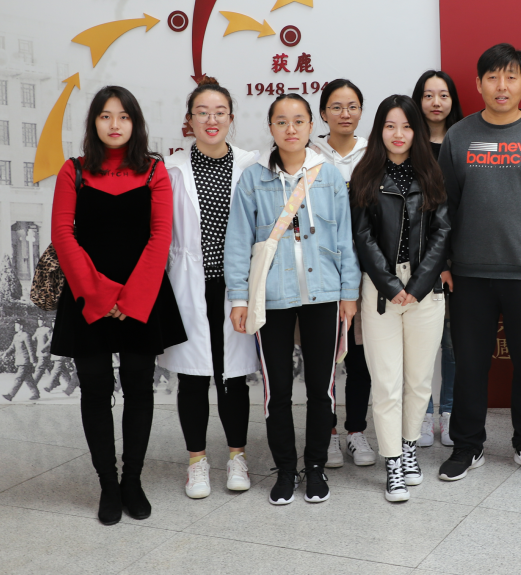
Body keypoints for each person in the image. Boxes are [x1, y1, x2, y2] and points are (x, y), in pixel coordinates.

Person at [50, 86, 186, 525]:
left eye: (123, 116)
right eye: (106, 116)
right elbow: (62, 235)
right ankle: (107, 484)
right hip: (87, 296)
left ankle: (132, 481)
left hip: (140, 296)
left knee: (139, 388)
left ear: (135, 123)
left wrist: (132, 298)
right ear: (94, 122)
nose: (114, 124)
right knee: (94, 388)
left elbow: (161, 235)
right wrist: (101, 296)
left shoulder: (153, 170)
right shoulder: (73, 170)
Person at [437, 43, 521, 483]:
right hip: (469, 274)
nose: (501, 86)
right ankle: (467, 445)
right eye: (493, 77)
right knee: (470, 364)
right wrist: (444, 260)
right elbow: (444, 206)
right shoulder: (459, 136)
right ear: (478, 83)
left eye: (511, 77)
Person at [225, 94, 360, 506]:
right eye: (281, 121)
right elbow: (238, 242)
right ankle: (286, 470)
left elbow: (345, 238)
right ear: (271, 127)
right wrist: (238, 297)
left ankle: (315, 466)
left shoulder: (328, 176)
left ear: (310, 126)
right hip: (272, 297)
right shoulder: (253, 179)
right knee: (277, 390)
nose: (291, 128)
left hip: (324, 294)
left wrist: (349, 293)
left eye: (299, 120)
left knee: (322, 388)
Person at [158, 77, 261, 499]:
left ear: (231, 118)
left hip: (235, 285)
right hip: (188, 285)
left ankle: (237, 456)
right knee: (193, 377)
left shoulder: (252, 166)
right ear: (190, 120)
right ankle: (197, 462)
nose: (211, 119)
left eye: (219, 112)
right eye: (202, 112)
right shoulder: (171, 170)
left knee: (233, 376)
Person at [351, 94, 451, 502]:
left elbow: (443, 232)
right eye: (390, 126)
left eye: (406, 126)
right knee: (387, 382)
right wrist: (392, 286)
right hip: (381, 292)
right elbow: (362, 237)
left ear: (417, 131)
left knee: (418, 381)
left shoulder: (432, 173)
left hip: (426, 290)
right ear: (380, 130)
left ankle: (409, 449)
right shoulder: (365, 175)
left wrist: (419, 284)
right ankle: (393, 461)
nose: (398, 134)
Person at [310, 79, 376, 468]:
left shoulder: (373, 153)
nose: (345, 114)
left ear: (361, 111)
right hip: (321, 267)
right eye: (336, 107)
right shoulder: (309, 154)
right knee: (325, 356)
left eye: (352, 106)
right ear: (323, 113)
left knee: (359, 355)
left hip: (365, 268)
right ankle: (329, 432)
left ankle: (356, 431)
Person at [412, 70, 462, 447]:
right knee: (422, 342)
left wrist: (451, 261)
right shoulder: (408, 144)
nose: (435, 102)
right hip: (419, 258)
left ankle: (449, 410)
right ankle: (424, 412)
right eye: (428, 95)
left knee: (453, 341)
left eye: (443, 95)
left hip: (461, 256)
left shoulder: (464, 140)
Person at [3, 320, 40, 401]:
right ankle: (35, 393)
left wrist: (33, 361)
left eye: (17, 325)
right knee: (28, 379)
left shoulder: (26, 336)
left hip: (25, 361)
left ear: (22, 326)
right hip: (19, 360)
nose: (15, 327)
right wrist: (6, 353)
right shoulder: (16, 336)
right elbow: (12, 347)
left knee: (18, 378)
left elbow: (30, 349)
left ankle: (10, 395)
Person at [32, 316, 53, 386]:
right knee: (47, 368)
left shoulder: (48, 330)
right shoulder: (38, 330)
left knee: (39, 367)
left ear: (44, 322)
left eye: (41, 321)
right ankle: (54, 381)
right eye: (38, 321)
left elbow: (50, 341)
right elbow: (33, 337)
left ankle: (33, 383)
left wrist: (44, 348)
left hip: (45, 352)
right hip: (39, 352)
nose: (39, 322)